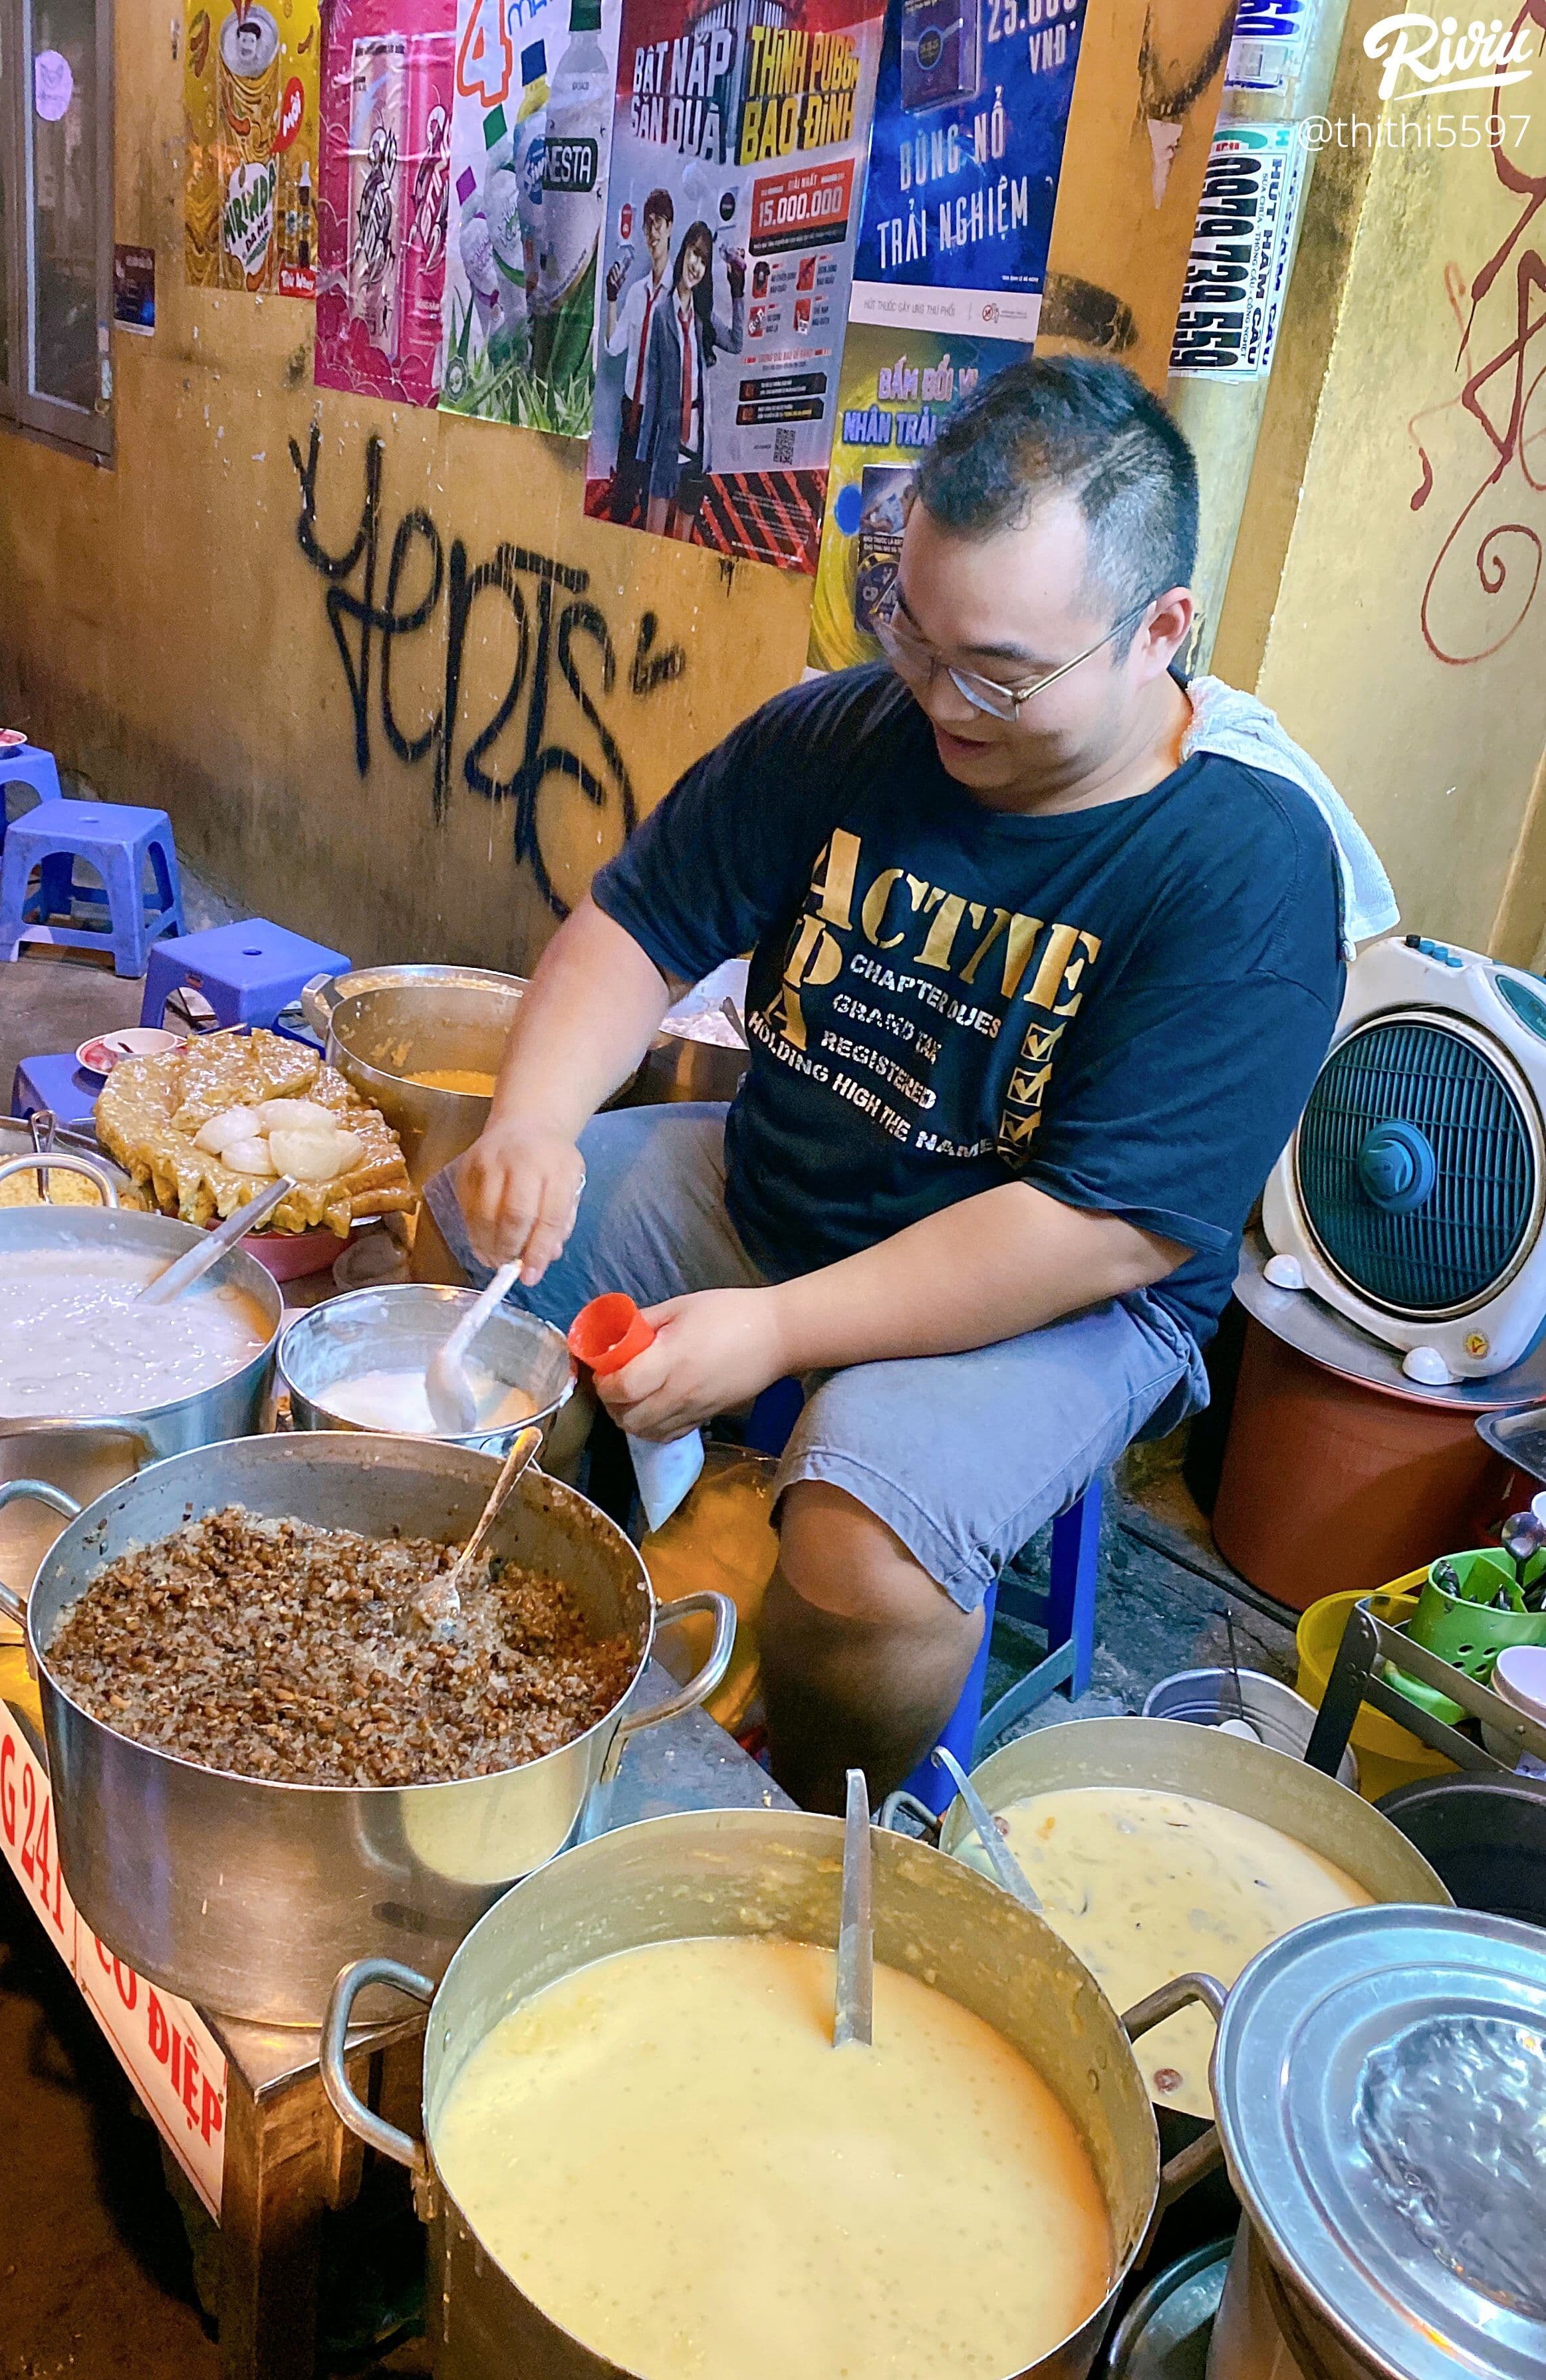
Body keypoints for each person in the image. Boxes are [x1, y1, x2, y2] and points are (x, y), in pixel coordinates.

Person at [430, 357, 1357, 1813]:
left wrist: (780, 1330)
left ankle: (818, 1834)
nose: (938, 698)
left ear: (1157, 632)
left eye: (996, 669)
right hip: (774, 1188)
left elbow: (1097, 1228)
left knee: (859, 1554)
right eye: (910, 633)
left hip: (1051, 1290)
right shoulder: (849, 732)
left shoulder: (1243, 868)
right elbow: (637, 921)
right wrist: (533, 1122)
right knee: (472, 1261)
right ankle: (564, 1649)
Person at [637, 220, 745, 544]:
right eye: (693, 255)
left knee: (681, 545)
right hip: (668, 446)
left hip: (698, 447)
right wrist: (644, 453)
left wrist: (737, 290)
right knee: (652, 541)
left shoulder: (703, 317)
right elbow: (653, 388)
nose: (695, 265)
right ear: (682, 252)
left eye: (703, 260)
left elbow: (737, 343)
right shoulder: (661, 315)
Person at [602, 188, 674, 525]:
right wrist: (612, 299)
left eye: (658, 223)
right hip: (631, 408)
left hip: (658, 415)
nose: (652, 232)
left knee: (651, 503)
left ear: (670, 227)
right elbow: (613, 346)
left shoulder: (678, 295)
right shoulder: (636, 293)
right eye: (647, 226)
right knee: (622, 498)